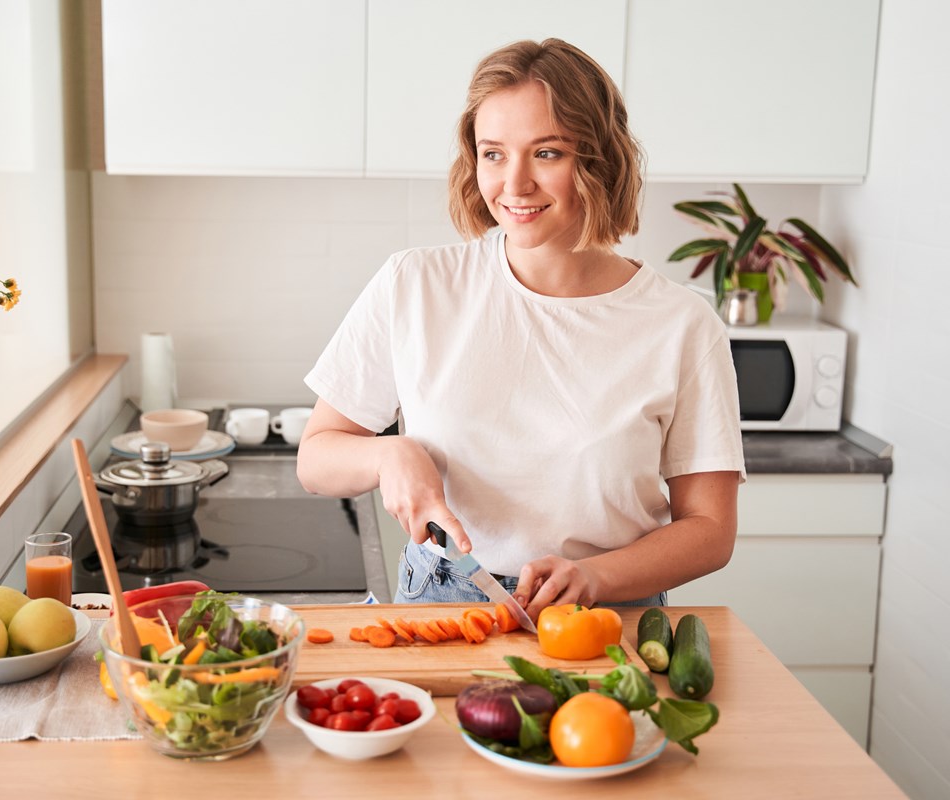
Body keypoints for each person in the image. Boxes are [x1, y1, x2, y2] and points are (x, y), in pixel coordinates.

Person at [297, 38, 745, 618]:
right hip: (442, 603)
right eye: (494, 154)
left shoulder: (680, 325)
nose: (515, 184)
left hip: (606, 614)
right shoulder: (414, 284)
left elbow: (710, 528)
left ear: (600, 158)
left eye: (548, 153)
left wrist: (593, 575)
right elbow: (316, 459)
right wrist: (389, 456)